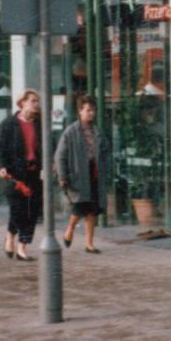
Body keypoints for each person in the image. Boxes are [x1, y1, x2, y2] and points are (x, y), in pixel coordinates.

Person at [54, 94, 111, 254]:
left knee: (92, 209)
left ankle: (89, 244)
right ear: (80, 111)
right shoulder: (71, 131)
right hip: (79, 175)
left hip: (95, 174)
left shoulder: (97, 131)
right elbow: (60, 155)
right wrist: (63, 176)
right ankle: (70, 229)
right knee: (79, 207)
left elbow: (106, 153)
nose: (91, 113)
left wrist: (107, 171)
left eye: (93, 110)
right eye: (88, 110)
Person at [0, 89, 43, 262]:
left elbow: (46, 145)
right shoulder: (9, 124)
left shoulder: (40, 124)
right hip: (14, 174)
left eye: (37, 101)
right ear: (22, 102)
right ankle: (10, 236)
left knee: (32, 210)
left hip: (33, 172)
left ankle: (22, 247)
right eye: (32, 101)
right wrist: (1, 166)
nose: (36, 104)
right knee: (18, 209)